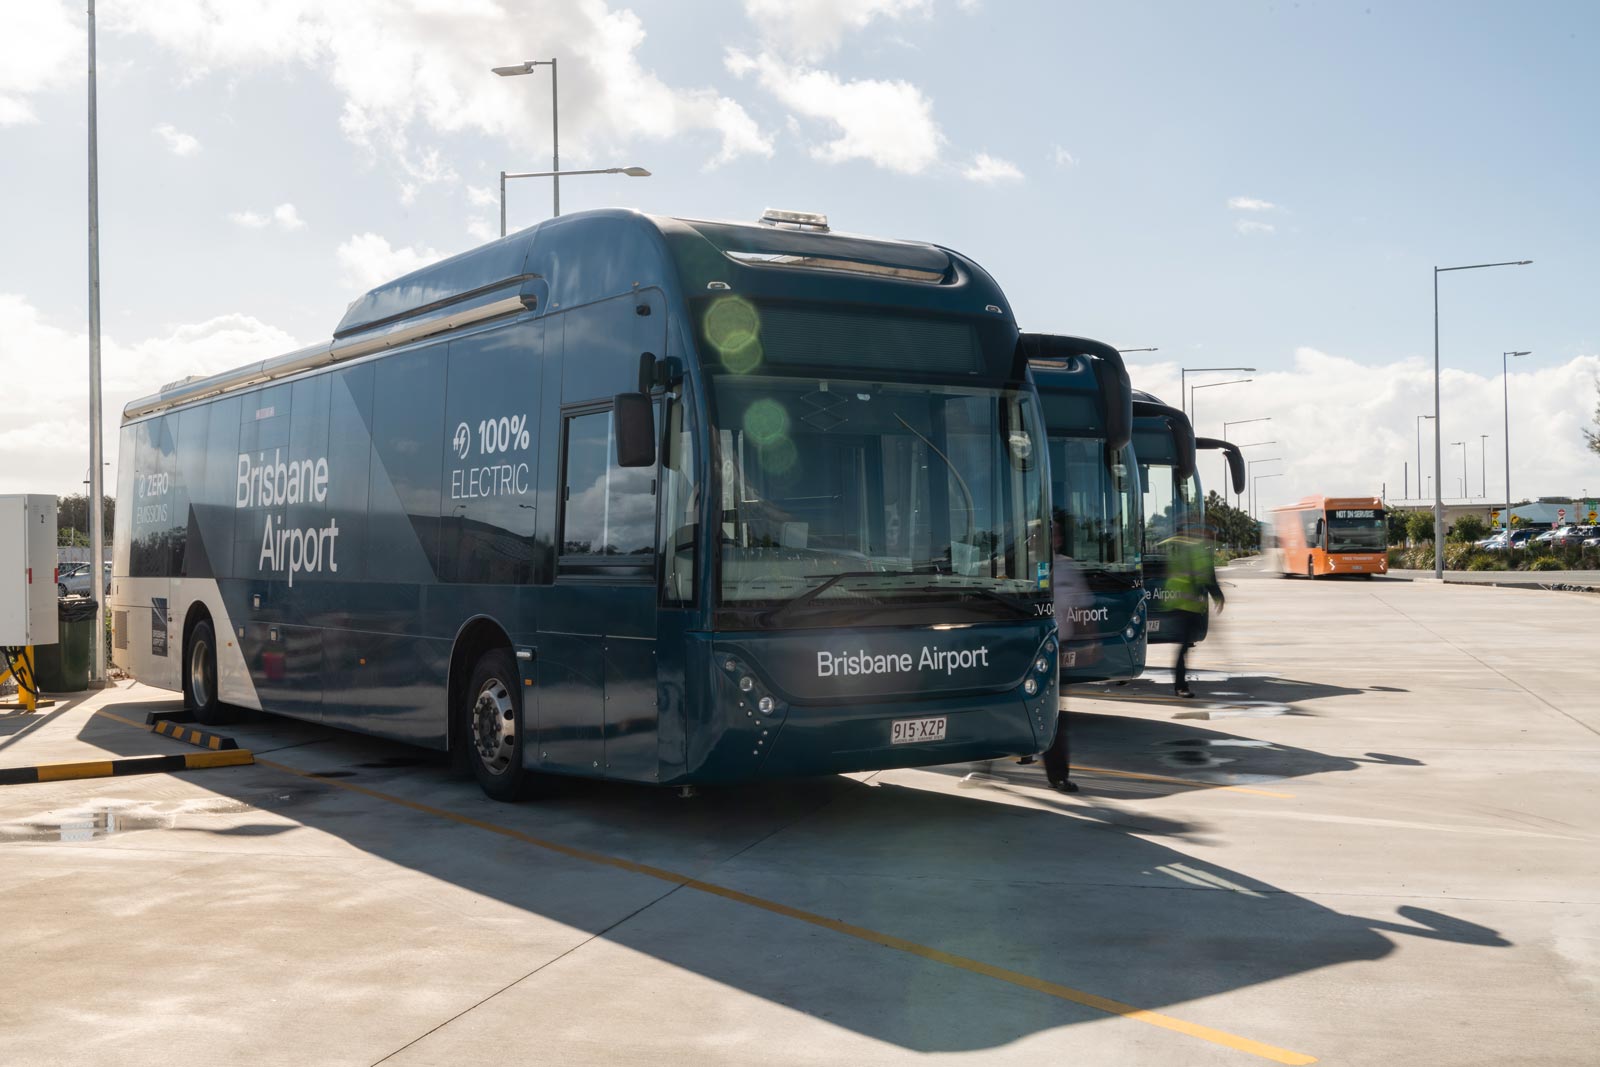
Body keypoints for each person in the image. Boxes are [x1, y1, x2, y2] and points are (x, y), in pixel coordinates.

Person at [1040, 513, 1089, 793]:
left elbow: (1081, 607)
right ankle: (987, 763)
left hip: (1059, 650)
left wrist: (1090, 641)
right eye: (1047, 535)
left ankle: (1058, 775)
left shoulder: (1069, 568)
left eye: (1055, 534)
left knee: (1057, 715)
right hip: (1032, 648)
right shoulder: (1021, 568)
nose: (1053, 539)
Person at [1165, 521, 1224, 698]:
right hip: (1187, 605)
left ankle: (1181, 684)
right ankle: (1180, 686)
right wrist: (1217, 595)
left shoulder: (1176, 546)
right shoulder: (1196, 549)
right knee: (1184, 647)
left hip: (1178, 603)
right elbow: (1205, 576)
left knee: (1184, 646)